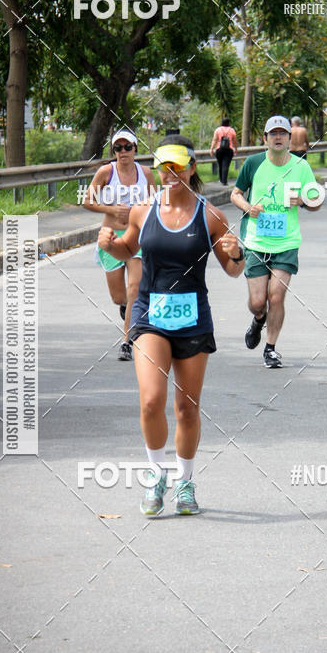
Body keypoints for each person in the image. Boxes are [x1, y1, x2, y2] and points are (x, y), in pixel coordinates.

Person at [98, 135, 244, 516]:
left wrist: (237, 252)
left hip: (193, 317)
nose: (170, 173)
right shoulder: (143, 210)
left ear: (192, 167)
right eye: (163, 166)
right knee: (150, 402)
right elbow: (128, 249)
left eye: (177, 166)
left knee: (187, 408)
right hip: (150, 314)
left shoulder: (211, 215)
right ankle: (155, 474)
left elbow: (233, 270)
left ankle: (185, 481)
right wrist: (109, 244)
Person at [230, 115, 320, 369]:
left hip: (286, 243)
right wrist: (248, 207)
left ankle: (270, 349)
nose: (278, 137)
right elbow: (235, 194)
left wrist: (303, 200)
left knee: (277, 296)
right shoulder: (254, 163)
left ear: (290, 139)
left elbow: (317, 201)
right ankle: (258, 320)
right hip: (257, 241)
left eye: (283, 133)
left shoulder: (301, 167)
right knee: (259, 302)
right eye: (273, 134)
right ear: (265, 139)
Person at [83, 128, 155, 361]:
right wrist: (111, 209)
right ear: (114, 151)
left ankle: (127, 341)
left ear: (135, 149)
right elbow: (87, 201)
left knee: (135, 289)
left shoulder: (146, 173)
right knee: (119, 297)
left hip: (138, 238)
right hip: (111, 237)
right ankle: (127, 308)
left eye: (127, 147)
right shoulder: (106, 172)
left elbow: (155, 203)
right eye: (118, 148)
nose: (123, 152)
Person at [210, 117, 237, 186]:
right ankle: (224, 181)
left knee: (220, 164)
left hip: (219, 149)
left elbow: (214, 140)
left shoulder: (218, 130)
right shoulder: (232, 130)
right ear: (229, 123)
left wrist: (211, 149)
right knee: (226, 165)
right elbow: (234, 141)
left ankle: (221, 179)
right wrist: (235, 149)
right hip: (229, 149)